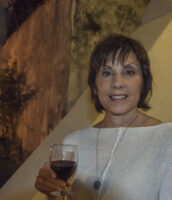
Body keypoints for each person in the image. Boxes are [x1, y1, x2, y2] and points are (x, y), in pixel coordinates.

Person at [34, 34, 172, 200]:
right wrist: (52, 194)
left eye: (129, 72)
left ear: (143, 83)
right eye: (107, 73)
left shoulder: (166, 139)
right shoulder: (74, 142)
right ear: (94, 86)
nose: (117, 83)